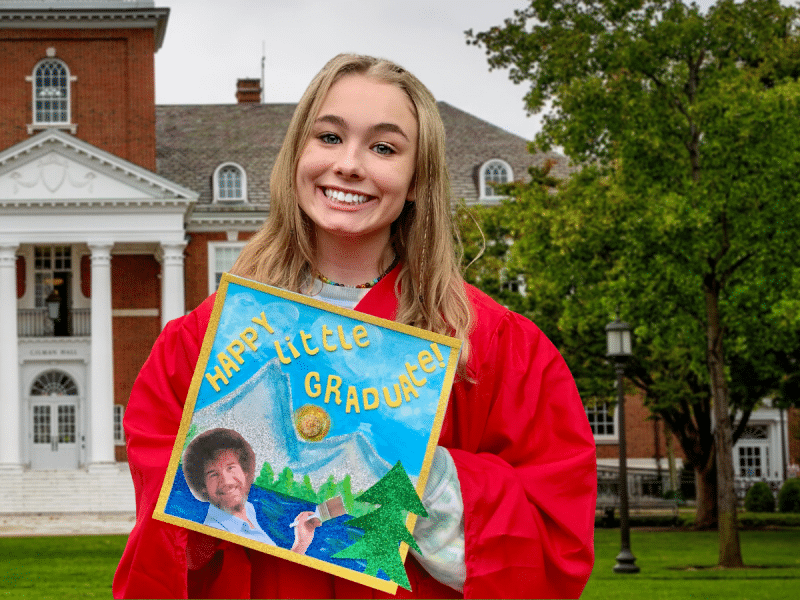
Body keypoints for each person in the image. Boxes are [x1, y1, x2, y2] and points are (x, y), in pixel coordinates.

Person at [113, 53, 596, 599]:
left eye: (384, 147)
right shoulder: (198, 347)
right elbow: (164, 561)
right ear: (297, 153)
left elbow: (556, 550)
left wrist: (422, 470)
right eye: (329, 137)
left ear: (417, 180)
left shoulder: (495, 347)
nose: (349, 164)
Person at [181, 428, 318, 553]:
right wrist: (300, 545)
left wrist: (301, 541)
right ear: (202, 486)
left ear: (245, 471)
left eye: (230, 467)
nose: (226, 481)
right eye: (213, 474)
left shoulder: (248, 510)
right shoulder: (217, 539)